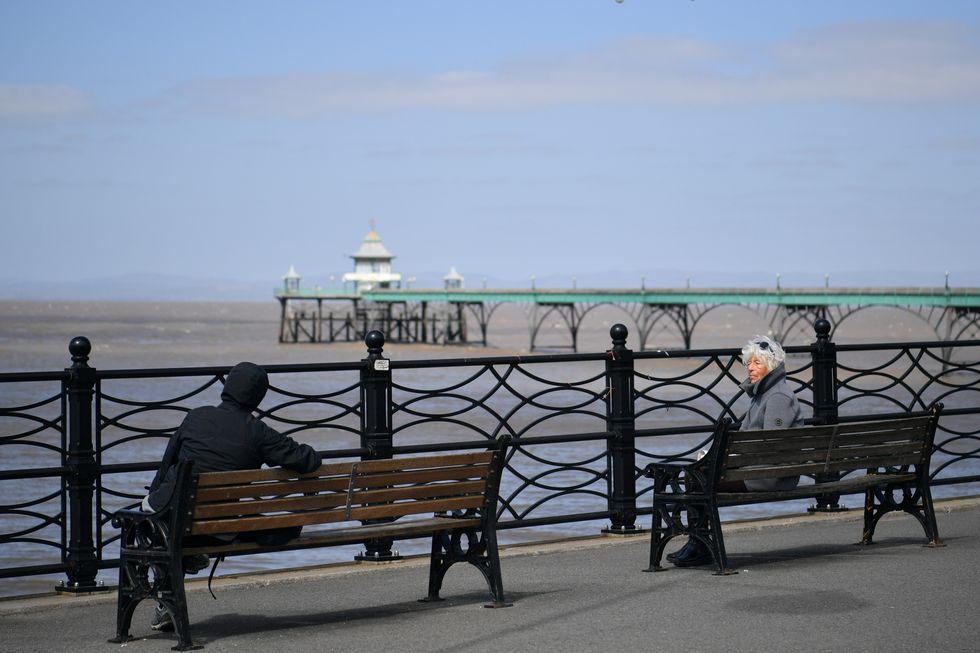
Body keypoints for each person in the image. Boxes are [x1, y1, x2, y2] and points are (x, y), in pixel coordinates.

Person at [142, 361, 321, 630]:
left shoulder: (195, 416)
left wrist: (155, 496)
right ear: (258, 397)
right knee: (274, 526)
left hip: (169, 520)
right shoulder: (257, 432)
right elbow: (306, 459)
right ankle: (187, 562)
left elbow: (166, 466)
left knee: (154, 515)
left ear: (226, 387)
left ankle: (169, 596)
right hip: (218, 527)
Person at [669, 335, 804, 567]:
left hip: (769, 477)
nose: (750, 368)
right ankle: (698, 542)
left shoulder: (777, 397)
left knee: (696, 477)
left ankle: (699, 544)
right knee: (697, 473)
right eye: (748, 363)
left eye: (757, 363)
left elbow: (773, 446)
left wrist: (728, 459)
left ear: (771, 366)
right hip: (760, 472)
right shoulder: (765, 393)